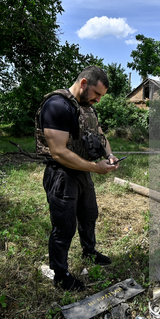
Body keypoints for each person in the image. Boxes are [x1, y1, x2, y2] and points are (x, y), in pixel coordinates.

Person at [35, 66, 119, 291]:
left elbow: (100, 135)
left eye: (102, 96)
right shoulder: (57, 106)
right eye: (97, 94)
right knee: (64, 226)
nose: (99, 100)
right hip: (61, 175)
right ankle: (60, 275)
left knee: (89, 215)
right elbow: (59, 152)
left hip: (83, 173)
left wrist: (109, 155)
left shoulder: (88, 108)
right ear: (83, 84)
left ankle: (89, 253)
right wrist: (95, 167)